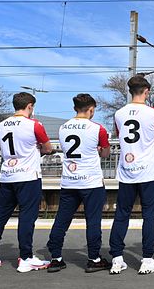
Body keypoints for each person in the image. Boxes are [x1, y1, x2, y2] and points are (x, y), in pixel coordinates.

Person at [0, 92, 53, 273]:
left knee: (0, 216)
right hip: (28, 176)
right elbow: (48, 148)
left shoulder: (0, 125)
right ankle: (26, 257)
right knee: (27, 217)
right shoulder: (34, 125)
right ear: (30, 106)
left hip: (7, 176)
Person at [46, 94, 112, 273]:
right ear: (91, 109)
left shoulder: (63, 128)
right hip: (91, 182)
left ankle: (56, 258)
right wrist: (99, 149)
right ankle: (94, 259)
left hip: (69, 181)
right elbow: (105, 154)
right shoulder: (98, 128)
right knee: (93, 221)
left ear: (75, 108)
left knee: (61, 220)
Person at [109, 75, 154, 275]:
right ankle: (147, 259)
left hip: (127, 171)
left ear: (129, 91)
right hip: (148, 171)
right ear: (147, 91)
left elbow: (119, 135)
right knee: (149, 215)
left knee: (121, 214)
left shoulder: (119, 114)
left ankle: (117, 258)